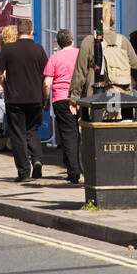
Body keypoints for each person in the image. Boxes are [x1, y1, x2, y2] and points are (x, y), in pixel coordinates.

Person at [0, 21, 49, 182]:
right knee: (32, 130)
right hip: (35, 98)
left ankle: (24, 171)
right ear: (31, 31)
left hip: (15, 99)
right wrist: (45, 98)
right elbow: (46, 76)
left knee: (18, 134)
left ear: (18, 32)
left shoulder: (8, 49)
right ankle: (37, 159)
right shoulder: (38, 49)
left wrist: (5, 85)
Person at [69, 25, 137, 102]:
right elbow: (136, 66)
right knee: (122, 114)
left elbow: (80, 72)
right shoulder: (123, 40)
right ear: (111, 24)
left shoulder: (89, 41)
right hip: (121, 95)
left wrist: (74, 96)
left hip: (93, 96)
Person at [43, 30, 81, 183]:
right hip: (80, 98)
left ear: (59, 44)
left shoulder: (54, 57)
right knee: (77, 134)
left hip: (61, 98)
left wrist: (45, 100)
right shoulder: (80, 54)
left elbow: (47, 83)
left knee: (68, 134)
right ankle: (76, 165)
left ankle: (73, 170)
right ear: (71, 40)